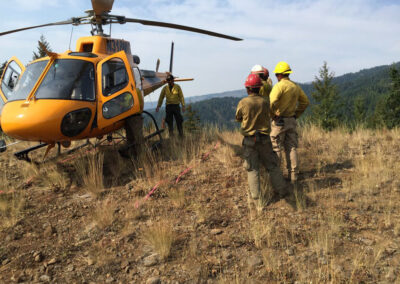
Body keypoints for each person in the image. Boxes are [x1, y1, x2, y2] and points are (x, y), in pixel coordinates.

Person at [236, 73, 289, 203]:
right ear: (259, 88)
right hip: (265, 139)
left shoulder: (243, 102)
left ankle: (257, 200)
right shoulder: (265, 102)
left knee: (252, 169)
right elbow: (273, 114)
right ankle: (282, 191)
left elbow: (238, 117)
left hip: (249, 140)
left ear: (247, 88)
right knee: (272, 166)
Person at [269, 61, 310, 183]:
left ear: (280, 75)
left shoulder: (279, 86)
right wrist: (296, 115)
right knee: (291, 148)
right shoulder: (295, 86)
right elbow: (305, 102)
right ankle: (294, 177)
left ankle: (277, 178)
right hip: (291, 120)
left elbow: (271, 103)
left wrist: (273, 115)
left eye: (276, 75)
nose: (276, 77)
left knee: (276, 148)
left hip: (279, 121)